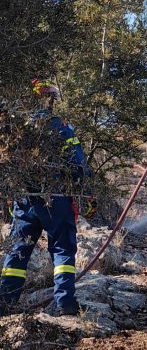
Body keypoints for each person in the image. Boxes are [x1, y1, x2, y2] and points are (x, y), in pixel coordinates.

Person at [0, 78, 95, 316]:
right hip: (55, 198)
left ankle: (5, 301)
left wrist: (12, 199)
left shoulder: (15, 128)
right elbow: (78, 165)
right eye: (50, 99)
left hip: (24, 200)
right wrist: (87, 192)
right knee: (62, 249)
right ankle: (64, 302)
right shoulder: (61, 127)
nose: (51, 103)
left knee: (19, 250)